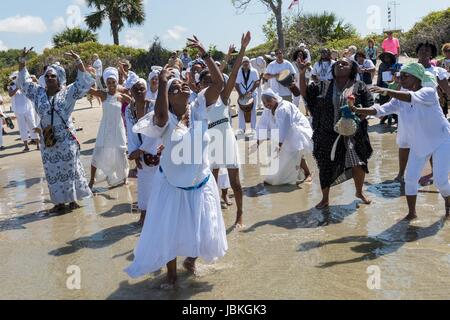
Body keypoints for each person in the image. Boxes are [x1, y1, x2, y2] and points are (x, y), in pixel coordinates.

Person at [125, 36, 227, 288]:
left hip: (200, 182)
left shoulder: (201, 105)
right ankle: (171, 274)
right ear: (167, 98)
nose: (180, 86)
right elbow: (159, 112)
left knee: (202, 228)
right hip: (171, 185)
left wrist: (205, 54)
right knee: (168, 230)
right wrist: (162, 82)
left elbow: (219, 83)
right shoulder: (164, 120)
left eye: (182, 84)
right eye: (174, 87)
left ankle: (190, 261)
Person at [352, 63, 450, 221]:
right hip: (420, 142)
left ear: (417, 78)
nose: (401, 79)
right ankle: (412, 213)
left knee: (441, 181)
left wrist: (386, 90)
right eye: (400, 76)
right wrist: (359, 110)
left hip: (442, 140)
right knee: (410, 178)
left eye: (405, 76)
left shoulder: (429, 92)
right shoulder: (401, 96)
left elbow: (410, 97)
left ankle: (448, 206)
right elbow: (381, 109)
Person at [17, 48, 95, 213]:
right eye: (47, 76)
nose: (50, 78)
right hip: (48, 140)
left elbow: (85, 82)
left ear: (59, 78)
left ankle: (73, 200)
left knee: (69, 170)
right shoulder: (38, 93)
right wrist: (22, 62)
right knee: (52, 173)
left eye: (53, 76)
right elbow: (23, 83)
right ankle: (59, 203)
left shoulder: (68, 93)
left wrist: (79, 61)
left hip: (66, 140)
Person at [300, 57, 374, 209]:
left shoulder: (359, 86)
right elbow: (305, 94)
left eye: (344, 63)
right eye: (337, 64)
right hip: (327, 133)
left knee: (358, 163)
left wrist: (356, 118)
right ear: (332, 70)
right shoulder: (323, 85)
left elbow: (369, 105)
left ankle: (359, 192)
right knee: (325, 165)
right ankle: (325, 199)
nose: (340, 65)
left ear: (352, 69)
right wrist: (301, 74)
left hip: (353, 134)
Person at [200, 32, 251, 228]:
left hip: (225, 137)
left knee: (235, 181)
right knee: (210, 180)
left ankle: (240, 213)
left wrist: (243, 48)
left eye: (210, 82)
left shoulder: (223, 96)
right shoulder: (198, 102)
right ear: (201, 85)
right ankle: (212, 211)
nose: (208, 85)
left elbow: (235, 72)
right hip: (208, 140)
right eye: (204, 82)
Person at [256, 89, 313, 185]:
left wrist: (279, 145)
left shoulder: (284, 108)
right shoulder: (268, 110)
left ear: (274, 99)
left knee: (294, 152)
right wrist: (258, 140)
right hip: (282, 131)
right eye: (264, 103)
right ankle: (290, 173)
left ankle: (308, 174)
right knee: (284, 154)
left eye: (268, 102)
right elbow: (262, 125)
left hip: (296, 130)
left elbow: (285, 127)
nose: (266, 105)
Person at [125, 78, 163, 226]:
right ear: (131, 91)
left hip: (158, 148)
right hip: (141, 153)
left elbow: (157, 130)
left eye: (142, 88)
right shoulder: (129, 109)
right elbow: (131, 131)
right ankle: (144, 216)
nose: (139, 91)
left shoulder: (153, 106)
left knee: (161, 183)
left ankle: (161, 215)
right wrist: (135, 152)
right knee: (144, 184)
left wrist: (141, 150)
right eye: (136, 89)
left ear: (146, 89)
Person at [87, 67, 130, 190]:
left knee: (121, 152)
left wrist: (128, 95)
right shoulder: (103, 94)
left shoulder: (121, 96)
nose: (111, 84)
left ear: (117, 82)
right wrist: (91, 77)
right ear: (106, 83)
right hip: (105, 128)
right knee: (98, 151)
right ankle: (92, 179)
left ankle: (124, 176)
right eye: (109, 82)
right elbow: (88, 89)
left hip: (118, 128)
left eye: (113, 82)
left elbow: (133, 101)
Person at [8, 71, 39, 152]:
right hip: (18, 110)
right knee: (22, 128)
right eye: (14, 78)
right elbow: (10, 94)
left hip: (28, 108)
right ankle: (26, 146)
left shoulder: (26, 84)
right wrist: (17, 87)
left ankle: (38, 145)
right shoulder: (12, 86)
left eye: (16, 77)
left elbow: (36, 85)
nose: (15, 79)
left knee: (33, 125)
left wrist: (33, 80)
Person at [235, 56, 260, 134]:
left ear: (249, 63)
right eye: (244, 62)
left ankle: (253, 128)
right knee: (240, 111)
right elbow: (236, 84)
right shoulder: (239, 72)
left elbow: (257, 82)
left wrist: (251, 91)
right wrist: (240, 93)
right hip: (242, 95)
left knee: (253, 110)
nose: (245, 63)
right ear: (242, 63)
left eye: (247, 62)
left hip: (252, 95)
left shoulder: (254, 71)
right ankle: (241, 128)